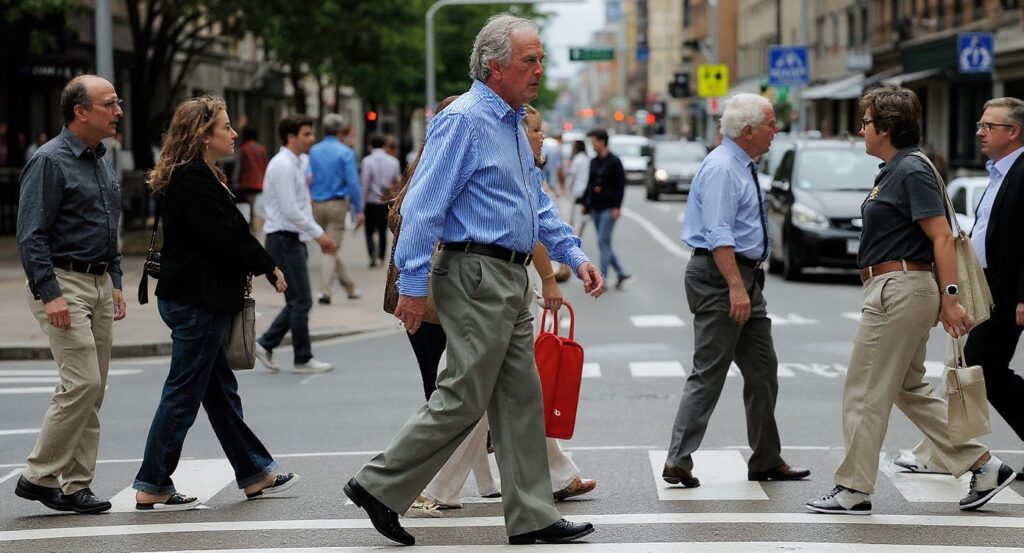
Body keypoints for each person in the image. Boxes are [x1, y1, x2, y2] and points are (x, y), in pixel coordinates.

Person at [345, 14, 603, 547]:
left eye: (540, 59)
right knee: (465, 395)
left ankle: (533, 517)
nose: (539, 70)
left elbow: (534, 203)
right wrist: (413, 287)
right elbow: (422, 207)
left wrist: (573, 255)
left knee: (520, 398)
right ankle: (377, 485)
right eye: (528, 60)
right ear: (494, 66)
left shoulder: (512, 121)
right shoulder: (464, 119)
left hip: (508, 275)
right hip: (475, 272)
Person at [805, 86, 1016, 516]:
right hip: (899, 288)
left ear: (886, 127)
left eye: (866, 122)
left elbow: (940, 236)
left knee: (864, 391)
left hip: (899, 288)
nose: (861, 129)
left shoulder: (911, 171)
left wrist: (950, 297)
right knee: (907, 388)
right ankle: (983, 465)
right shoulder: (896, 169)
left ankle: (853, 488)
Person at [131, 96, 298, 511]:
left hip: (197, 297)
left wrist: (264, 263)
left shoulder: (204, 174)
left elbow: (228, 233)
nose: (233, 133)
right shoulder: (192, 178)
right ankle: (152, 481)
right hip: (196, 300)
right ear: (204, 135)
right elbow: (223, 236)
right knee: (183, 393)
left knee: (220, 392)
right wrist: (266, 265)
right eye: (225, 127)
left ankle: (255, 472)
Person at [666, 93, 809, 491]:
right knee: (709, 370)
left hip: (745, 278)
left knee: (763, 370)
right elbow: (718, 233)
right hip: (721, 276)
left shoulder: (742, 164)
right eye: (771, 124)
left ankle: (765, 458)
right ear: (748, 131)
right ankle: (678, 459)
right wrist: (734, 286)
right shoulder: (723, 168)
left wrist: (745, 285)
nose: (776, 131)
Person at [894, 97, 1024, 481]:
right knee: (966, 365)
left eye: (989, 126)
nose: (980, 132)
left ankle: (944, 454)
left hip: (1006, 290)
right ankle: (938, 452)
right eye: (981, 124)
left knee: (980, 366)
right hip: (986, 286)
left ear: (1013, 132)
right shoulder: (1001, 171)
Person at [14, 74, 126, 514]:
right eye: (110, 104)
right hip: (64, 283)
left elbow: (108, 222)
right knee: (83, 382)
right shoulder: (49, 161)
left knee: (92, 392)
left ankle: (77, 485)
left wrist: (115, 279)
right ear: (81, 111)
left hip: (99, 282)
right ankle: (39, 476)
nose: (118, 111)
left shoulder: (102, 158)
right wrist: (51, 294)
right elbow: (31, 234)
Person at [255, 114, 338, 374]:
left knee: (298, 300)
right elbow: (290, 209)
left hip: (290, 239)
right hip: (283, 239)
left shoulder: (297, 162)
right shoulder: (283, 165)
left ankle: (265, 344)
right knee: (301, 301)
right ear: (291, 137)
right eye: (306, 134)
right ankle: (301, 357)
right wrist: (319, 234)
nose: (312, 138)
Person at [309, 113, 363, 304]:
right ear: (341, 131)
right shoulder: (346, 152)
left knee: (329, 246)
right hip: (337, 205)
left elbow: (308, 177)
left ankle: (351, 287)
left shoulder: (314, 151)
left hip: (317, 204)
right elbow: (353, 183)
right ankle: (325, 291)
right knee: (331, 249)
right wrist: (359, 209)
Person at [583, 129, 631, 289]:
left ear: (602, 141)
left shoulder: (614, 161)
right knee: (604, 243)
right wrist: (586, 203)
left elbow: (621, 186)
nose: (592, 144)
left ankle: (601, 278)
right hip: (595, 207)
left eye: (594, 141)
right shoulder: (594, 161)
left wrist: (617, 207)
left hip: (609, 208)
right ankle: (621, 272)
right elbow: (590, 184)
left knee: (603, 241)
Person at [362, 134, 402, 268]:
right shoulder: (393, 161)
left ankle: (372, 252)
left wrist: (362, 203)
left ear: (370, 146)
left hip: (371, 200)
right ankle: (381, 256)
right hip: (385, 200)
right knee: (382, 230)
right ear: (384, 145)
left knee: (368, 229)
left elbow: (365, 183)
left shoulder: (367, 160)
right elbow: (397, 181)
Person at [237, 127, 269, 234]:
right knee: (257, 207)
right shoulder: (261, 149)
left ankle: (252, 228)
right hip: (260, 183)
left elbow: (240, 166)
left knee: (250, 207)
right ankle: (255, 228)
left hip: (248, 183)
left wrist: (237, 180)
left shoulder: (244, 148)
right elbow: (265, 165)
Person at [568, 139, 589, 231]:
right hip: (586, 189)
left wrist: (569, 188)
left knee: (575, 215)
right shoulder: (586, 158)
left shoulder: (577, 159)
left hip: (577, 190)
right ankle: (579, 232)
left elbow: (572, 174)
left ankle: (574, 234)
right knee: (583, 216)